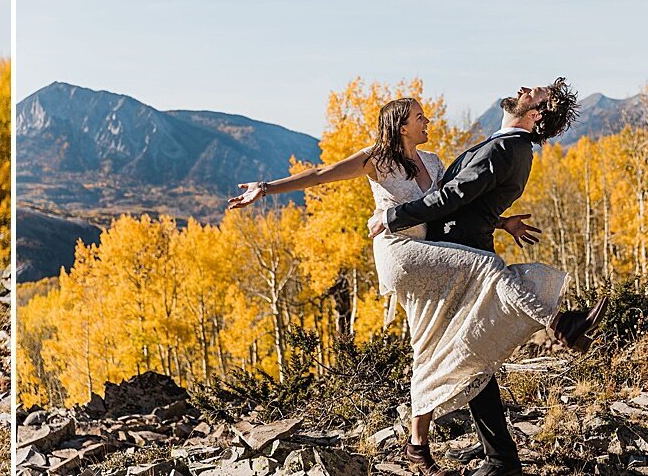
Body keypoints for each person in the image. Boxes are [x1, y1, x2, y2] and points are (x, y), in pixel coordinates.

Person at [229, 82, 601, 476]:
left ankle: (418, 448)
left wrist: (502, 220)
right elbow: (323, 174)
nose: (428, 120)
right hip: (399, 253)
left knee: (426, 345)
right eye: (420, 116)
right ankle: (559, 323)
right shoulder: (377, 158)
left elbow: (457, 200)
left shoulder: (435, 161)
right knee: (487, 267)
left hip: (436, 256)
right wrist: (266, 188)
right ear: (401, 126)